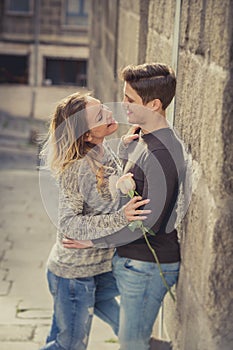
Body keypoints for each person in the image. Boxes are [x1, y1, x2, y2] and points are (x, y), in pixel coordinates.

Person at [64, 63, 188, 350]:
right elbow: (128, 184)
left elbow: (148, 223)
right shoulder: (141, 138)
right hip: (128, 261)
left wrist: (94, 240)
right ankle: (145, 341)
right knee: (83, 291)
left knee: (130, 347)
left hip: (146, 266)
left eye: (130, 99)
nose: (123, 105)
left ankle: (140, 342)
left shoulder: (163, 153)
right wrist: (124, 149)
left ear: (154, 104)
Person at [39, 92, 151, 350]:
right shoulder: (76, 169)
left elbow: (107, 189)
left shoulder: (102, 152)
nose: (110, 113)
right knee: (70, 346)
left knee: (61, 338)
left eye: (102, 107)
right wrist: (120, 218)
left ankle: (141, 342)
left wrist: (123, 149)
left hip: (97, 270)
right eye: (101, 115)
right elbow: (69, 224)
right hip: (74, 278)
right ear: (87, 135)